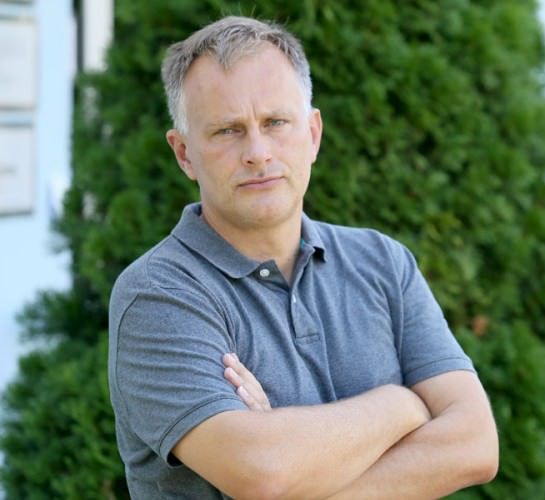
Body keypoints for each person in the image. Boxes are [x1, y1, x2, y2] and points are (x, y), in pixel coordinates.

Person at [108, 15, 498, 499]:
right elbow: (263, 472)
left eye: (275, 123)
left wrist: (294, 458)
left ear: (312, 134)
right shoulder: (157, 295)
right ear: (184, 153)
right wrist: (401, 405)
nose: (257, 152)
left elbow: (475, 445)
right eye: (228, 131)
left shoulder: (383, 263)